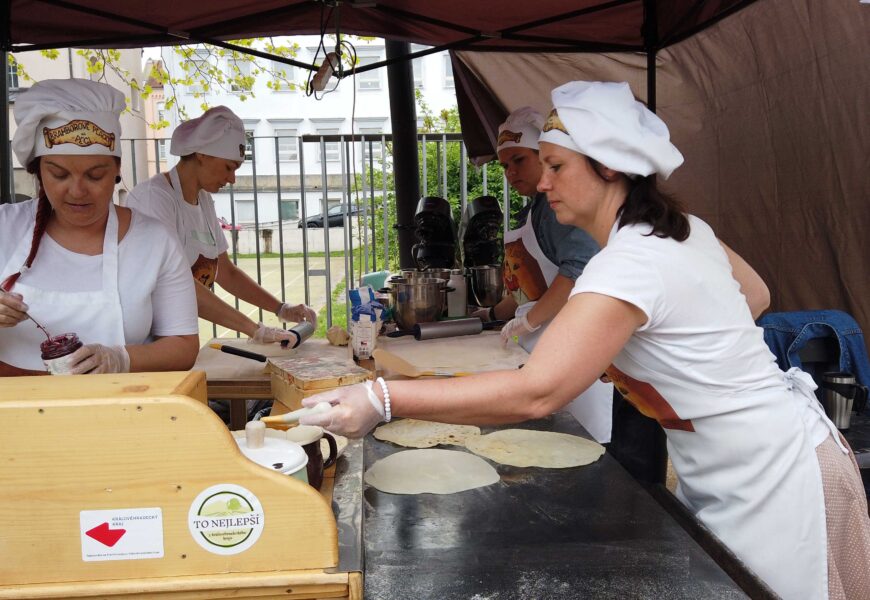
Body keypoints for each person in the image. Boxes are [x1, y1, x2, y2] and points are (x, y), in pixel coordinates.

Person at [299, 81, 870, 599]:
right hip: (748, 459)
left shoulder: (629, 262)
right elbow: (757, 296)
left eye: (556, 166)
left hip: (775, 477)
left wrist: (382, 398)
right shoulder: (684, 230)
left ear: (610, 167)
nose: (543, 182)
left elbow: (537, 392)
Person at [0, 79, 199, 376]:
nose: (77, 191)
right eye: (59, 174)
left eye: (95, 175)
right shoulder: (4, 227)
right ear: (38, 171)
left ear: (117, 170)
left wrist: (121, 359)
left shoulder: (154, 242)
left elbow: (183, 345)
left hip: (120, 402)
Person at [126, 106, 316, 346]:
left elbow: (225, 272)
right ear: (202, 154)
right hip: (143, 345)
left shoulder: (203, 199)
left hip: (175, 341)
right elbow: (177, 284)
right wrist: (254, 329)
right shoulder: (154, 199)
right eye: (229, 167)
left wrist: (281, 308)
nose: (232, 179)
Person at [475, 106, 610, 441]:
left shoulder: (556, 211)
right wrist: (491, 315)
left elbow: (576, 273)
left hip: (571, 351)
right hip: (543, 351)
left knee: (579, 444)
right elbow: (529, 288)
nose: (510, 172)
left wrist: (530, 321)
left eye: (519, 160)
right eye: (505, 166)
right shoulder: (535, 211)